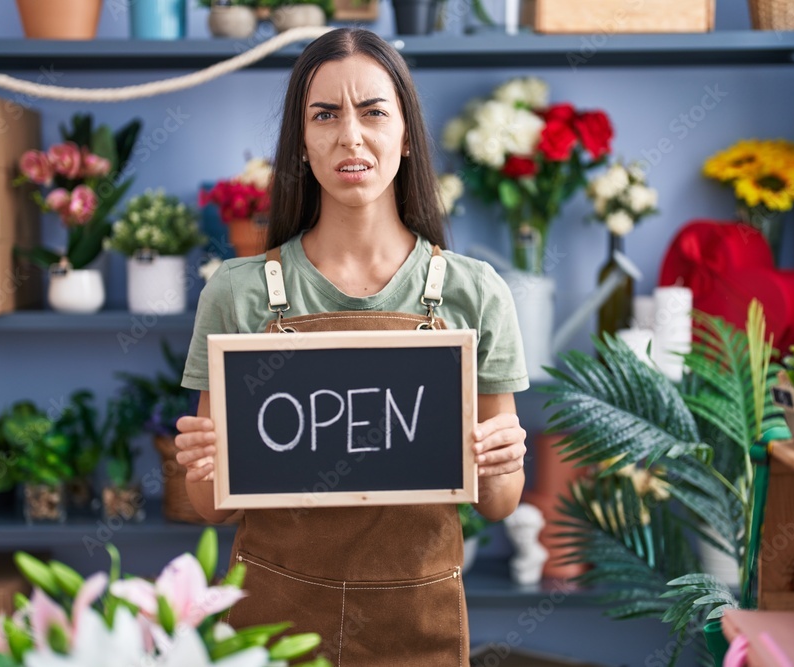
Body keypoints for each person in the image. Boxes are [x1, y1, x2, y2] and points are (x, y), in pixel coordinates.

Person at [175, 27, 529, 666]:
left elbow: (501, 503)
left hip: (414, 621)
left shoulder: (475, 292)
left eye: (373, 112)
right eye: (325, 115)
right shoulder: (237, 293)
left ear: (406, 134)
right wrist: (204, 462)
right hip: (271, 625)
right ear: (301, 141)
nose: (351, 136)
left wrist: (503, 457)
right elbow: (211, 510)